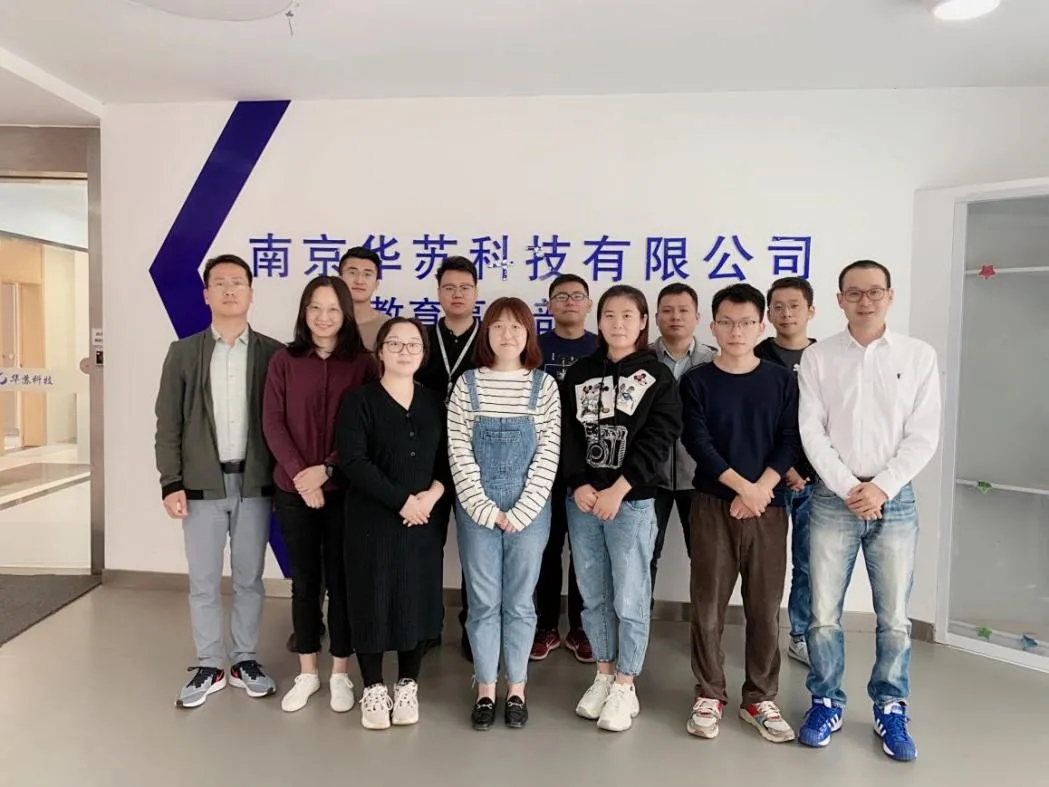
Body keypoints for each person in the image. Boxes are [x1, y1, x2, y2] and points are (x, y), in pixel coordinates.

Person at [797, 260, 940, 762]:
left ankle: (890, 706)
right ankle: (825, 701)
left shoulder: (917, 356)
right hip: (832, 499)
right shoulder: (819, 358)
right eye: (854, 293)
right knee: (822, 615)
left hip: (894, 498)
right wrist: (848, 487)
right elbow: (811, 430)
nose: (865, 300)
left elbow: (923, 435)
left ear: (890, 296)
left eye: (874, 291)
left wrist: (880, 487)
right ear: (839, 300)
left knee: (895, 616)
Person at [154, 253, 283, 708]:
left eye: (237, 282)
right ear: (206, 294)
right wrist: (170, 482)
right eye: (220, 283)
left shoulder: (273, 353)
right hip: (201, 486)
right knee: (204, 581)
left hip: (255, 485)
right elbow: (167, 424)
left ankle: (245, 659)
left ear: (251, 292)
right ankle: (210, 663)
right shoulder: (184, 353)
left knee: (249, 579)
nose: (229, 290)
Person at [680, 283, 800, 744]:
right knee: (707, 606)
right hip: (713, 503)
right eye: (727, 322)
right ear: (713, 327)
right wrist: (742, 488)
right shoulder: (697, 382)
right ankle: (709, 692)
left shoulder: (782, 381)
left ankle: (759, 698)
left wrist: (760, 489)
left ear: (761, 325)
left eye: (747, 322)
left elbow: (789, 440)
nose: (737, 331)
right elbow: (698, 442)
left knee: (765, 608)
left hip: (768, 507)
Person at [561, 284, 682, 733]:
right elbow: (567, 433)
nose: (618, 324)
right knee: (593, 593)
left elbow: (659, 438)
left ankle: (627, 684)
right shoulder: (579, 373)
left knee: (630, 595)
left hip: (631, 501)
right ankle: (604, 673)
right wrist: (579, 482)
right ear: (599, 321)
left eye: (628, 316)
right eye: (609, 315)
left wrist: (619, 488)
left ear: (643, 322)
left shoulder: (658, 376)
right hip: (584, 501)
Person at [263, 276, 379, 713]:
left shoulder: (363, 364)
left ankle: (340, 673)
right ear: (304, 311)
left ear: (346, 314)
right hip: (293, 490)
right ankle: (308, 671)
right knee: (305, 582)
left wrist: (327, 469)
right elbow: (272, 422)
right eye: (315, 307)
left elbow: (366, 428)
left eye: (333, 309)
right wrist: (302, 476)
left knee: (343, 582)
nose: (323, 317)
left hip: (345, 489)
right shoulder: (284, 360)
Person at [448, 297, 561, 730]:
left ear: (529, 333)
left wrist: (523, 509)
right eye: (498, 326)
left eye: (517, 326)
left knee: (519, 602)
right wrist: (482, 507)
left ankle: (516, 689)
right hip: (475, 508)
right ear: (487, 333)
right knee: (482, 602)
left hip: (530, 509)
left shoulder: (543, 386)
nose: (507, 334)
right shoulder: (467, 385)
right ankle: (485, 690)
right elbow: (458, 450)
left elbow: (548, 453)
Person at [336, 317, 450, 730]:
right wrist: (401, 501)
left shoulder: (435, 402)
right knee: (371, 598)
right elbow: (353, 461)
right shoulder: (359, 401)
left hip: (424, 520)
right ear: (380, 351)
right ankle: (372, 686)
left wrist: (431, 496)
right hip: (372, 520)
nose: (405, 351)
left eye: (413, 344)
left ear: (424, 353)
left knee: (415, 599)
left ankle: (407, 684)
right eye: (395, 343)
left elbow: (447, 462)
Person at [416, 256, 480, 660]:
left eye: (464, 288)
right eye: (449, 288)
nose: (457, 294)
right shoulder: (420, 338)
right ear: (438, 292)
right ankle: (427, 626)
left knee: (477, 551)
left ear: (476, 293)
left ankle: (475, 629)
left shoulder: (490, 338)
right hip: (427, 457)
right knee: (427, 546)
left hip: (477, 458)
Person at [754, 275, 818, 667]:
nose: (786, 313)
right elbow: (754, 422)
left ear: (811, 310)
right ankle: (762, 637)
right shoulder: (756, 355)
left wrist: (804, 469)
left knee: (808, 562)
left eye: (794, 305)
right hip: (767, 480)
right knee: (766, 566)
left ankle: (800, 634)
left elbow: (832, 420)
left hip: (816, 479)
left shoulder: (826, 357)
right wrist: (784, 467)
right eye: (777, 306)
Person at [532, 273, 595, 663]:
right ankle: (545, 627)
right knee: (546, 547)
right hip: (541, 463)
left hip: (590, 465)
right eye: (561, 296)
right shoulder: (534, 347)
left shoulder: (602, 347)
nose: (570, 301)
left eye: (577, 296)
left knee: (585, 549)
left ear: (589, 304)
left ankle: (581, 628)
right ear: (549, 305)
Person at [651, 283, 715, 596]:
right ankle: (639, 623)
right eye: (667, 310)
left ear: (697, 317)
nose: (675, 317)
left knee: (705, 559)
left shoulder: (714, 361)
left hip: (701, 478)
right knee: (644, 555)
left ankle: (704, 625)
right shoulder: (641, 359)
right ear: (656, 317)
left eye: (683, 310)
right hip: (649, 476)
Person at [338, 246, 390, 351]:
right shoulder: (324, 323)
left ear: (376, 284)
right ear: (340, 280)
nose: (359, 281)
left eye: (367, 274)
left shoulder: (389, 327)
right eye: (352, 273)